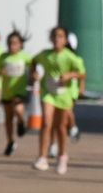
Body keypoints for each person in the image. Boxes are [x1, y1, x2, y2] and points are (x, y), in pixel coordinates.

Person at [31, 25, 85, 174]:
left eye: (60, 36)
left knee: (61, 127)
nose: (57, 39)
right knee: (46, 122)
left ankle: (62, 156)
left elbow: (82, 73)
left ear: (65, 40)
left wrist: (70, 75)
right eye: (54, 36)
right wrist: (34, 73)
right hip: (48, 92)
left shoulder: (70, 57)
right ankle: (42, 157)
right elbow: (33, 61)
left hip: (64, 94)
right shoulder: (45, 54)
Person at [0, 31, 32, 157]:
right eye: (10, 43)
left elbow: (33, 65)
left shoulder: (25, 57)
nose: (12, 46)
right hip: (7, 91)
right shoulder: (3, 57)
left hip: (20, 91)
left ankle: (21, 122)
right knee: (8, 119)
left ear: (20, 45)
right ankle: (10, 142)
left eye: (15, 43)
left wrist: (35, 74)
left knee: (18, 109)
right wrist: (1, 72)